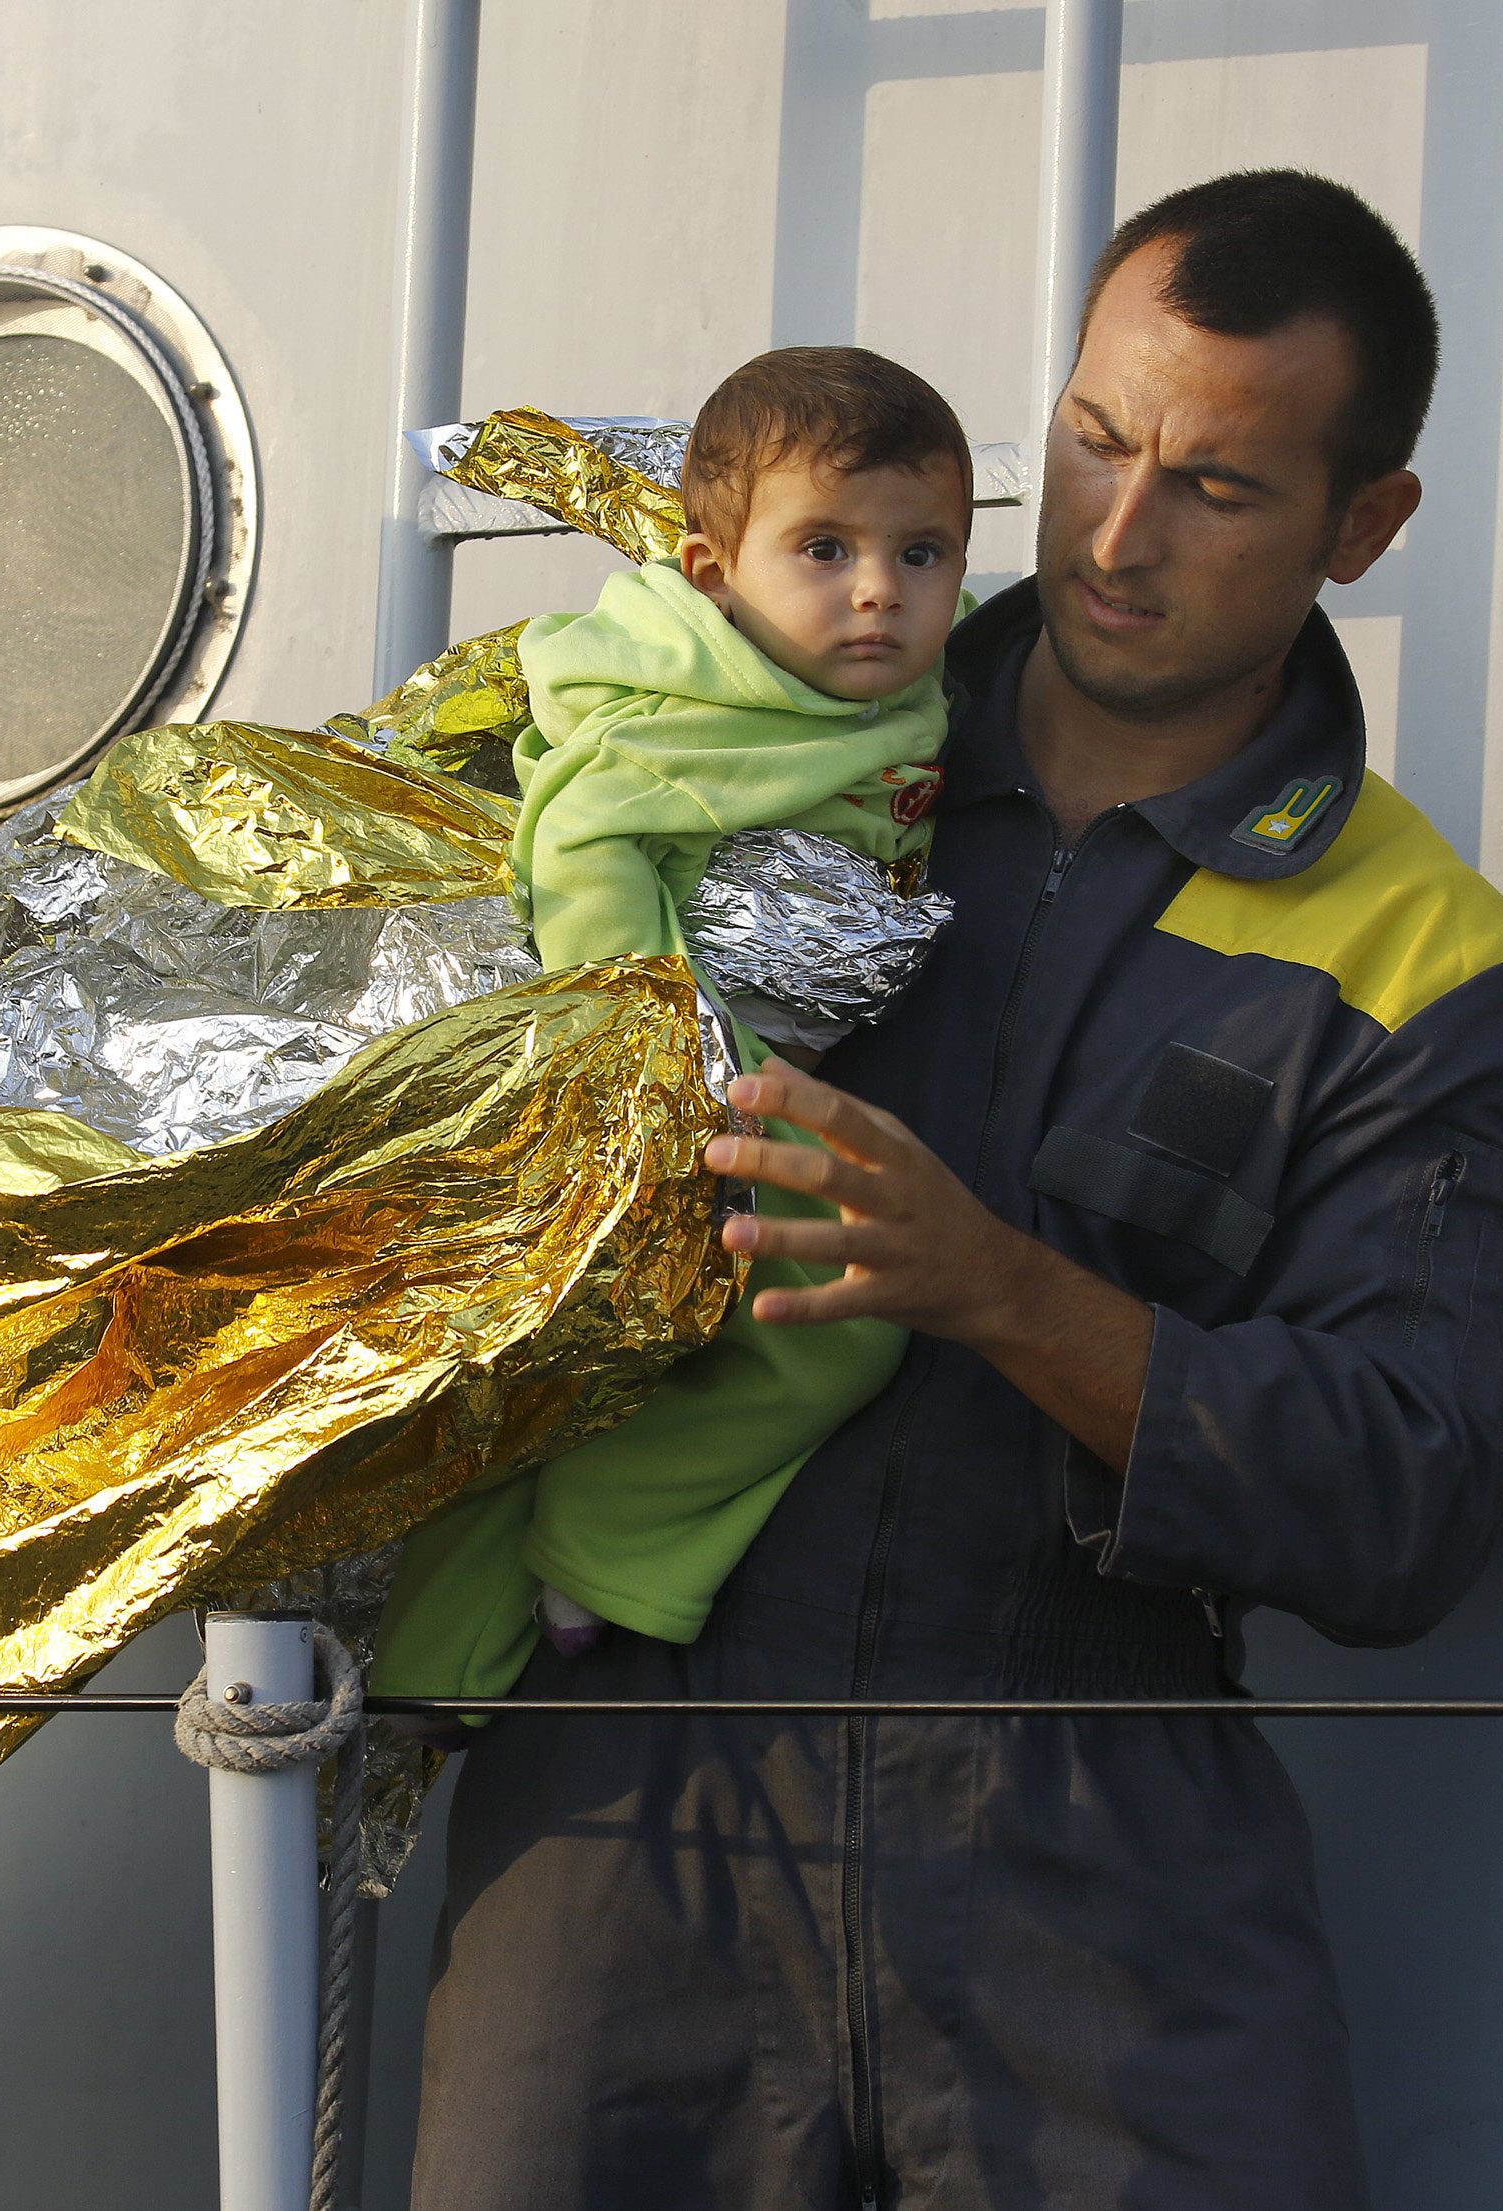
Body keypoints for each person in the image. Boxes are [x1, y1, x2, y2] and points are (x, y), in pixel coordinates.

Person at [410, 170, 1503, 2210]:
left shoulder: (1437, 969)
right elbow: (355, 989)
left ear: (1362, 527)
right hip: (628, 1769)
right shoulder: (749, 713)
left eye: (1216, 488)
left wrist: (998, 1290)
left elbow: (1401, 1501)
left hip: (1098, 1833)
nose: (1116, 538)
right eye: (1094, 443)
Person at [372, 347, 971, 1708]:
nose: (880, 589)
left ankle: (440, 1680)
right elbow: (580, 834)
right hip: (670, 1080)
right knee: (842, 1323)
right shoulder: (692, 700)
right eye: (825, 547)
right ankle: (614, 1549)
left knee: (571, 1388)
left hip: (736, 1069)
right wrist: (660, 1073)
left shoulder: (878, 687)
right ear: (715, 575)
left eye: (923, 552)